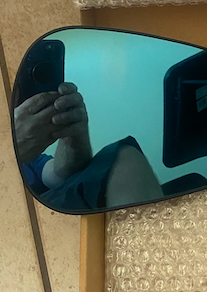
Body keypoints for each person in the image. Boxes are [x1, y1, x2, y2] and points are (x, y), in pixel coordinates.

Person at [14, 82, 163, 210]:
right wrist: (13, 146)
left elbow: (59, 175)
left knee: (125, 157)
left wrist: (73, 138)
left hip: (53, 207)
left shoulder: (32, 160)